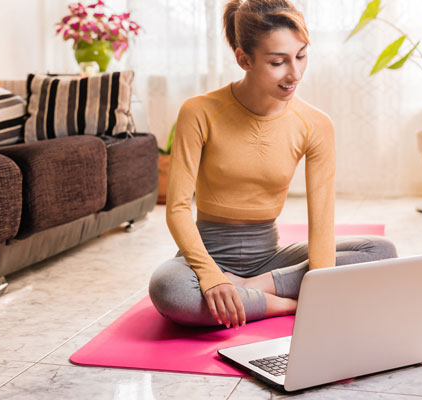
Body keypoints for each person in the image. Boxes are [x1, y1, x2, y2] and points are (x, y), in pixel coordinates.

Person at [149, 0, 397, 330]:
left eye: (301, 55)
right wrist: (210, 276)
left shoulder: (315, 124)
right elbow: (177, 207)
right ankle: (286, 305)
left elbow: (321, 221)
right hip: (207, 256)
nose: (294, 73)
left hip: (270, 259)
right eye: (278, 62)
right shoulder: (199, 112)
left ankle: (253, 292)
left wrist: (321, 285)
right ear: (244, 59)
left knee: (379, 252)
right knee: (170, 290)